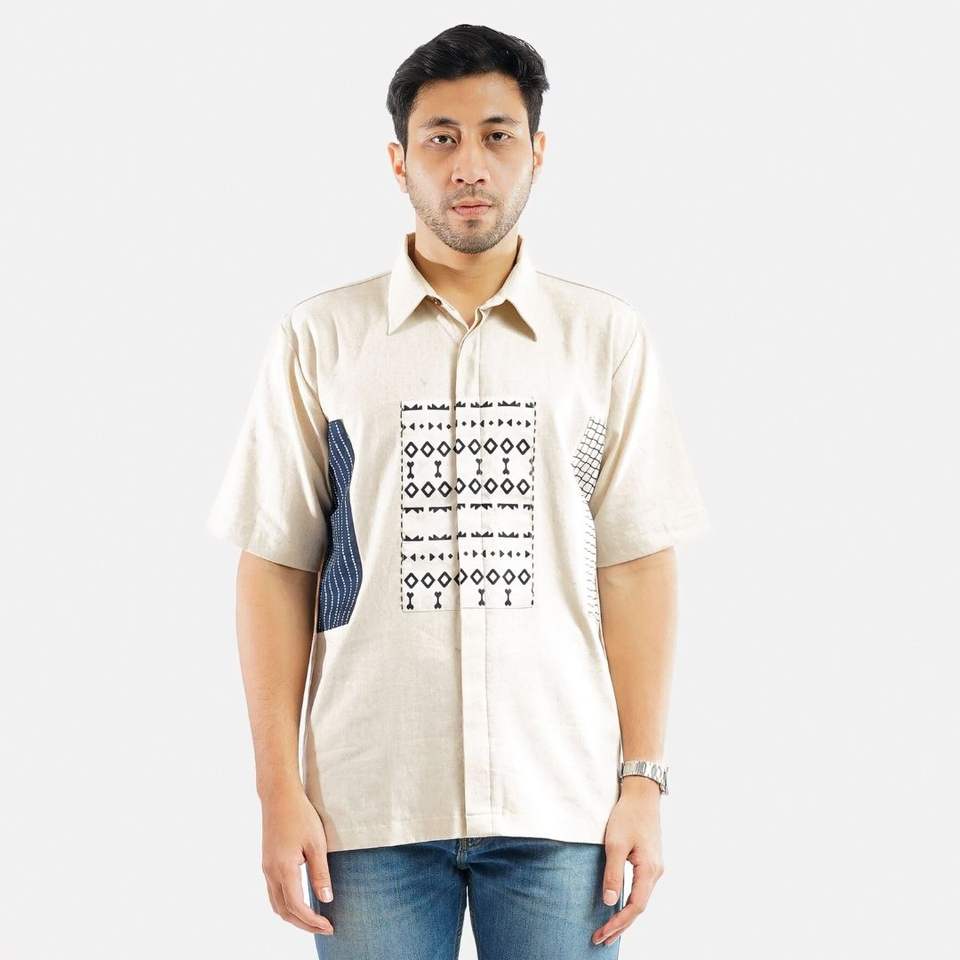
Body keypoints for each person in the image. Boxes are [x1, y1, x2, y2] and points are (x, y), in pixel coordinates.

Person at [206, 22, 710, 959]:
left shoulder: (604, 339)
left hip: (563, 803)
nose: (469, 164)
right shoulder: (322, 340)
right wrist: (277, 789)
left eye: (496, 135)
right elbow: (276, 565)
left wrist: (642, 781)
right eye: (440, 138)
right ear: (399, 161)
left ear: (537, 152)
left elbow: (637, 563)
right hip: (366, 805)